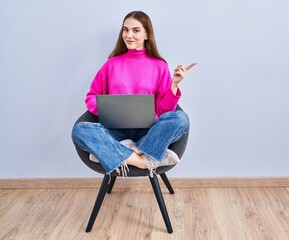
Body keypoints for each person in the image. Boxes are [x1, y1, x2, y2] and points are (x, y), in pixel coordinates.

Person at [71, 11, 196, 177]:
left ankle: (118, 151)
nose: (129, 35)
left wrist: (174, 84)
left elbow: (163, 110)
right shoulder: (111, 64)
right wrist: (108, 109)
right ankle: (143, 161)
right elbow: (91, 97)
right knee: (80, 130)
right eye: (125, 30)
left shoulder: (159, 66)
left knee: (181, 119)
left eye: (136, 30)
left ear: (146, 34)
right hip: (115, 132)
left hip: (150, 132)